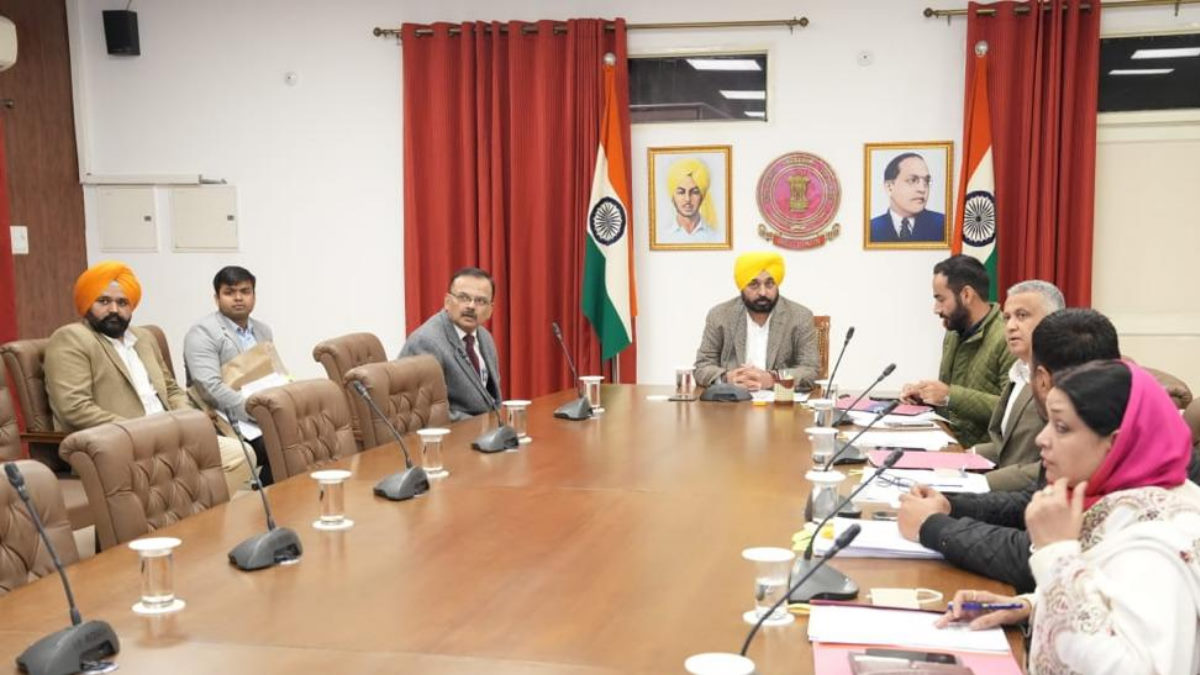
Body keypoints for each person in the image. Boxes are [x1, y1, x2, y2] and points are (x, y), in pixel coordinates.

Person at [937, 360, 1200, 675]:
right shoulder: (1120, 503)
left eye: (1061, 427)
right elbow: (1108, 603)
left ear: (1116, 443)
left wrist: (1056, 555)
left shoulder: (1160, 543)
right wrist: (1029, 605)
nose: (1042, 439)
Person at [897, 308, 1122, 593]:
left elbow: (1032, 556)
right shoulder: (1108, 406)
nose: (1043, 439)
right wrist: (950, 505)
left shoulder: (1101, 434)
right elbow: (1032, 501)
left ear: (1041, 378)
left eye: (1061, 427)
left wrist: (933, 526)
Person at [45, 261, 254, 496]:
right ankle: (188, 507)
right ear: (87, 304)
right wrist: (142, 431)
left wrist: (187, 419)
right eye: (103, 301)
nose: (114, 309)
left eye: (122, 303)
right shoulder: (71, 339)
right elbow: (75, 408)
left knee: (242, 455)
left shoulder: (143, 337)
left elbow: (171, 390)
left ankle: (191, 509)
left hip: (170, 436)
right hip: (120, 444)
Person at [902, 255, 1015, 449]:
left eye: (941, 299)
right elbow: (950, 408)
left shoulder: (1007, 338)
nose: (936, 309)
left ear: (966, 295)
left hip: (983, 456)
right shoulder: (953, 333)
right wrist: (925, 397)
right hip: (947, 444)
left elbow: (1012, 411)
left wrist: (949, 396)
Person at [184, 265, 276, 485]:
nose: (238, 298)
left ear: (254, 296)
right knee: (279, 443)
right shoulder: (202, 333)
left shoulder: (263, 330)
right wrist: (257, 412)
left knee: (303, 431)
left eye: (245, 291)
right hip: (223, 417)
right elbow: (210, 388)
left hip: (260, 412)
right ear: (217, 298)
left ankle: (279, 494)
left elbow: (271, 375)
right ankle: (266, 497)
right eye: (229, 292)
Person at [974, 280, 1065, 491]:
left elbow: (1058, 463)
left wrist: (984, 483)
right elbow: (1010, 447)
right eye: (1007, 317)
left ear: (1052, 321)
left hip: (1034, 499)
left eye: (1022, 315)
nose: (1010, 326)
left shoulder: (1061, 378)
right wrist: (967, 455)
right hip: (1004, 493)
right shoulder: (1020, 371)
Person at [693, 251, 819, 391]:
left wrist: (774, 379)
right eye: (754, 285)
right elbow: (702, 367)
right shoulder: (720, 315)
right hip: (733, 400)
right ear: (742, 286)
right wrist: (726, 378)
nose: (763, 292)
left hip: (780, 400)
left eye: (769, 284)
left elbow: (810, 370)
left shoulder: (800, 316)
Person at [400, 267, 502, 421]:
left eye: (480, 301)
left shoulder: (485, 337)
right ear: (447, 302)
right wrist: (483, 424)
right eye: (463, 297)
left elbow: (490, 398)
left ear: (490, 310)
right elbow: (424, 411)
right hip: (453, 432)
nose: (471, 306)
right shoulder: (426, 342)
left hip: (487, 428)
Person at [869, 152, 945, 243]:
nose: (922, 189)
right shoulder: (871, 229)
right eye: (912, 180)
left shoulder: (943, 225)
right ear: (889, 187)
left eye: (926, 181)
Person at [656, 157, 722, 244]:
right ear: (672, 196)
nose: (687, 199)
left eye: (694, 192)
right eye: (681, 192)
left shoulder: (715, 236)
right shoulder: (663, 237)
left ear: (702, 196)